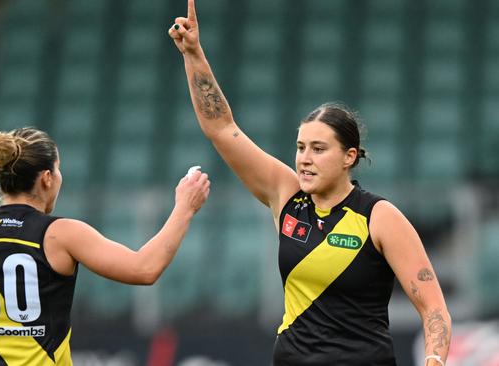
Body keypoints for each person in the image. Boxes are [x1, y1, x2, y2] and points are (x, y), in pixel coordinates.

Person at [168, 1, 450, 365]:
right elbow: (222, 128)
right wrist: (193, 54)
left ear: (349, 157)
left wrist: (434, 361)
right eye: (301, 147)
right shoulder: (287, 196)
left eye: (318, 149)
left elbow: (434, 309)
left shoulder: (379, 217)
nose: (304, 158)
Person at [0, 127, 210, 365]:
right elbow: (145, 268)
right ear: (46, 178)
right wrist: (184, 207)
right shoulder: (61, 235)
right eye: (58, 170)